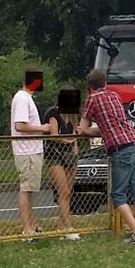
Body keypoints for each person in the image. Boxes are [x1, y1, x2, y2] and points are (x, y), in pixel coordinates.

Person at [77, 68, 135, 245]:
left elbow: (84, 128)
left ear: (90, 86)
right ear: (105, 83)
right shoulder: (114, 96)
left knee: (117, 194)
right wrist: (105, 130)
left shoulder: (91, 99)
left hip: (120, 149)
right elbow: (114, 123)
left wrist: (88, 131)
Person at [11, 70, 48, 237]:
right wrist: (42, 128)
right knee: (26, 188)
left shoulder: (27, 99)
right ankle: (27, 228)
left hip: (33, 149)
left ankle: (31, 223)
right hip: (27, 150)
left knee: (30, 188)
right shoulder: (21, 99)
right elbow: (20, 126)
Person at [42, 88, 81, 238]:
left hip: (69, 155)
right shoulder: (53, 113)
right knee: (62, 190)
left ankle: (61, 225)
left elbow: (75, 136)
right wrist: (67, 140)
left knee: (68, 192)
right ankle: (68, 228)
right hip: (55, 155)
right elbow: (54, 135)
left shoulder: (72, 116)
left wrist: (75, 152)